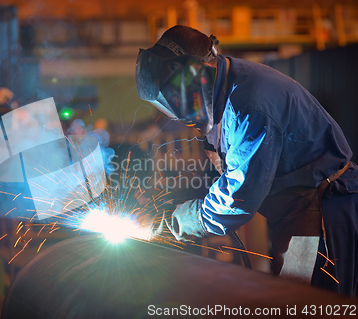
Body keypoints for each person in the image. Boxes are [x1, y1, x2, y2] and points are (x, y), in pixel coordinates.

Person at [137, 25, 358, 296]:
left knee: (305, 305)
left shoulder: (249, 105)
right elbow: (229, 168)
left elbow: (239, 196)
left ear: (199, 71)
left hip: (322, 210)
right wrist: (171, 204)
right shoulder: (225, 88)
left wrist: (176, 223)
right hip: (296, 210)